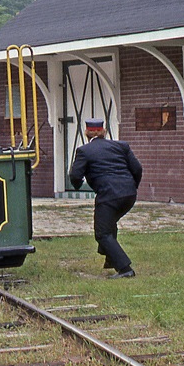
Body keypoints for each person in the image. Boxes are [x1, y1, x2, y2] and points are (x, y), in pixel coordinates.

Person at [69, 118, 143, 279]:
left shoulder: (84, 151)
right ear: (104, 131)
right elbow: (137, 168)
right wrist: (132, 186)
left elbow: (75, 175)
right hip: (129, 195)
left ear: (87, 133)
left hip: (108, 196)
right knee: (108, 224)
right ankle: (110, 259)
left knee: (102, 233)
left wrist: (77, 185)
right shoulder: (121, 146)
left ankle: (125, 269)